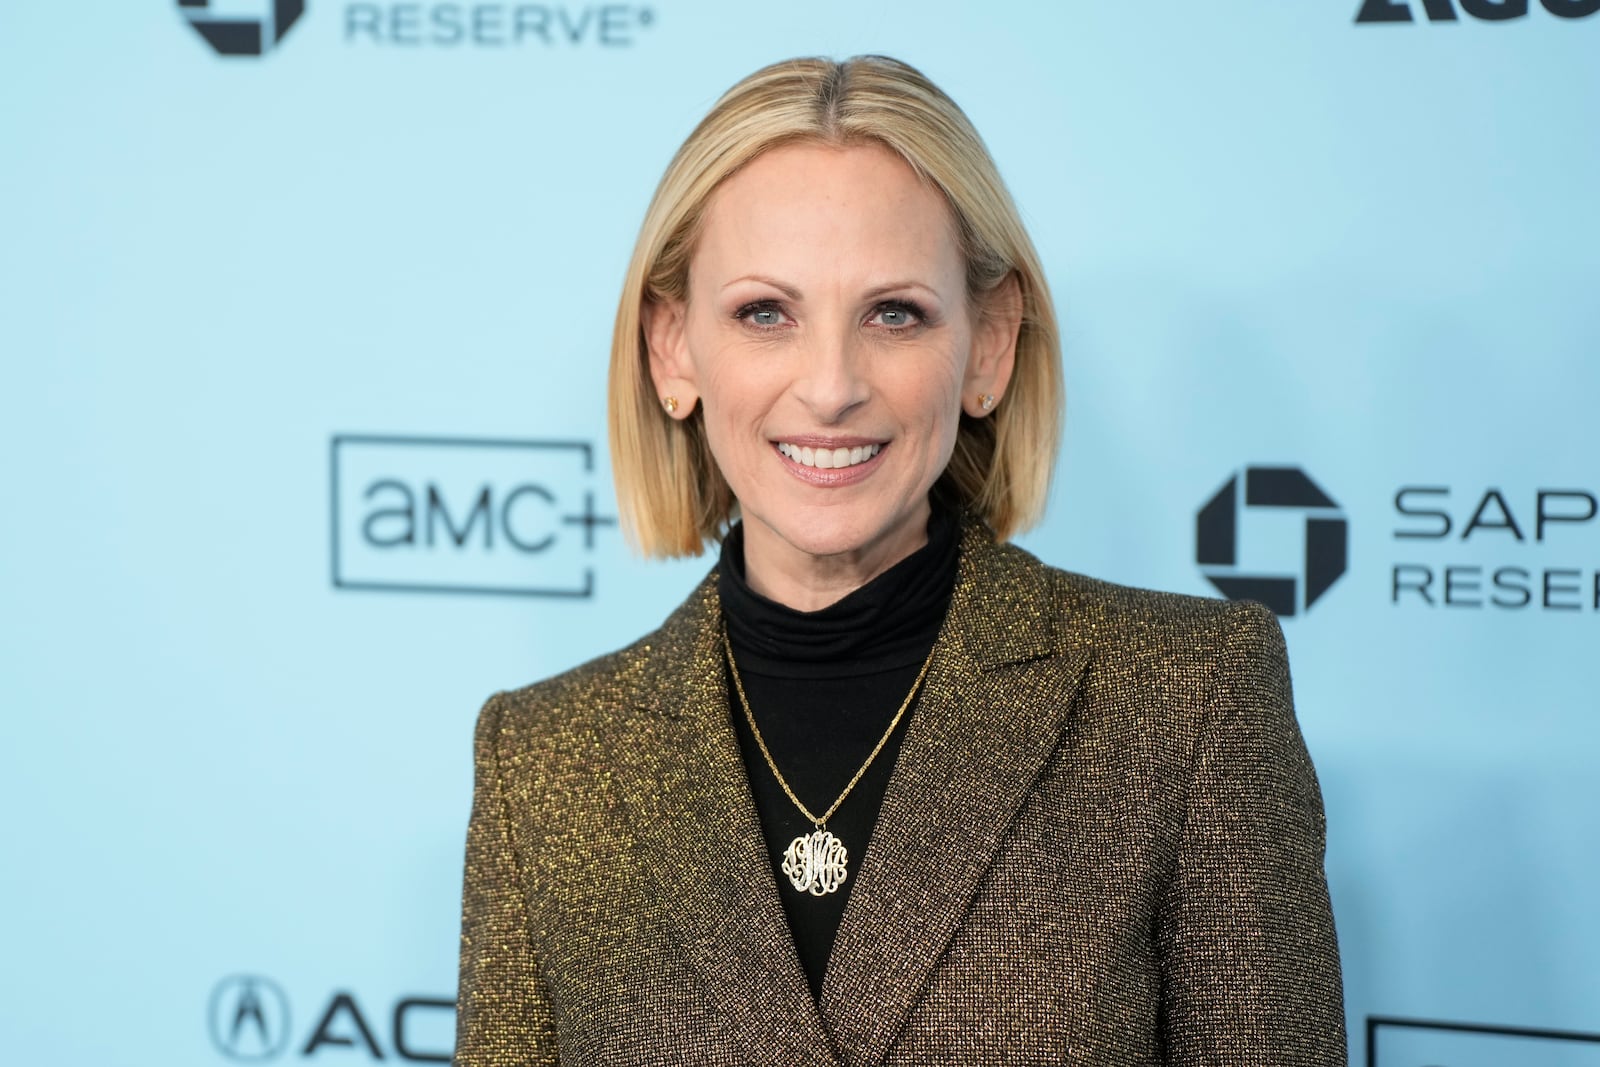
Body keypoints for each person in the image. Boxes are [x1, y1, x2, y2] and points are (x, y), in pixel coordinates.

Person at [453, 54, 1345, 1066]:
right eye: (764, 313)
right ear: (673, 350)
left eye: (894, 313)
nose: (830, 386)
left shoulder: (1186, 699)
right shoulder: (543, 759)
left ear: (989, 345)